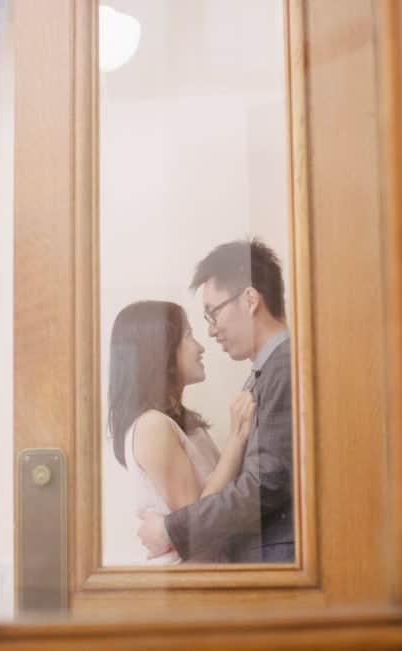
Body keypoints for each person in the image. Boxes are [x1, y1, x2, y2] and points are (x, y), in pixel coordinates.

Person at [137, 238, 295, 563]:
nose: (211, 332)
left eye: (213, 313)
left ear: (251, 299)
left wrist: (171, 530)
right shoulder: (265, 372)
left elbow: (267, 483)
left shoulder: (284, 366)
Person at [108, 300, 256, 564]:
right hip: (187, 588)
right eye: (188, 335)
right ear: (160, 349)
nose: (200, 347)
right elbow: (197, 523)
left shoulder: (180, 424)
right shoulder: (151, 426)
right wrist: (236, 439)